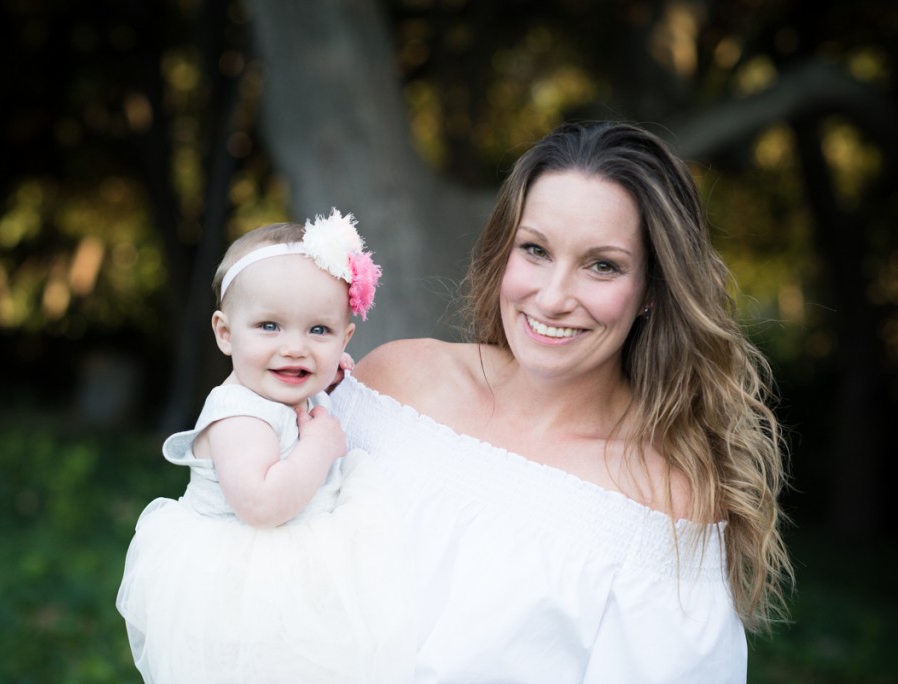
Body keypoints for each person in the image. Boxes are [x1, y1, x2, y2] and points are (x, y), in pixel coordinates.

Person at [331, 121, 793, 682]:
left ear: (651, 289)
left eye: (603, 265)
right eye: (535, 250)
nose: (552, 298)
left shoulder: (661, 500)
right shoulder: (395, 384)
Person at [117, 210, 414, 684]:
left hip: (296, 575)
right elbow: (260, 503)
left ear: (345, 339)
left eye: (319, 331)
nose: (295, 348)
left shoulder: (283, 389)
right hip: (246, 589)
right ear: (225, 333)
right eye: (270, 327)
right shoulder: (241, 414)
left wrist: (327, 380)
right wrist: (317, 446)